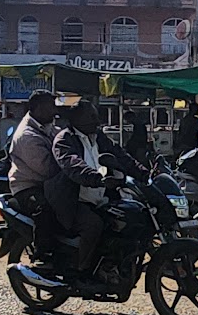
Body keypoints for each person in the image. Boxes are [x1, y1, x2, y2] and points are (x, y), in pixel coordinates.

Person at [46, 99, 143, 279]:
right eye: (91, 117)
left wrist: (144, 173)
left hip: (99, 197)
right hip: (73, 201)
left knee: (128, 218)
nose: (97, 121)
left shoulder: (98, 137)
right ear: (76, 119)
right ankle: (82, 272)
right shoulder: (64, 140)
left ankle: (110, 264)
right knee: (93, 225)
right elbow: (73, 165)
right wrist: (98, 178)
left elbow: (121, 156)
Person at [8, 91, 58, 200]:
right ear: (38, 108)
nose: (55, 111)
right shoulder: (27, 136)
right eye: (50, 107)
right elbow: (49, 170)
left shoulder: (47, 126)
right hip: (29, 188)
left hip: (48, 186)